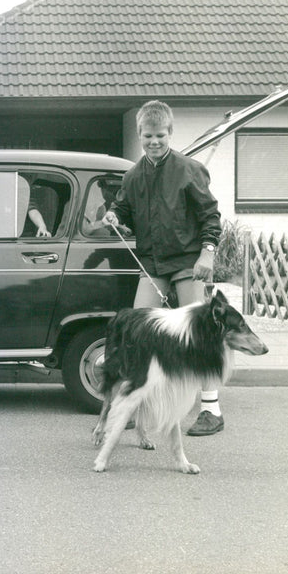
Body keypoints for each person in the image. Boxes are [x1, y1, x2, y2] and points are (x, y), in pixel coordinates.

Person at [102, 100, 225, 437]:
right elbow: (121, 208)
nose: (153, 141)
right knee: (136, 330)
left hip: (188, 262)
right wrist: (114, 216)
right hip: (153, 263)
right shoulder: (133, 175)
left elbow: (210, 216)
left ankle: (211, 410)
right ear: (139, 135)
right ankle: (134, 403)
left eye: (159, 135)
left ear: (170, 133)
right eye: (147, 136)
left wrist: (207, 254)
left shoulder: (189, 169)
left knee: (199, 335)